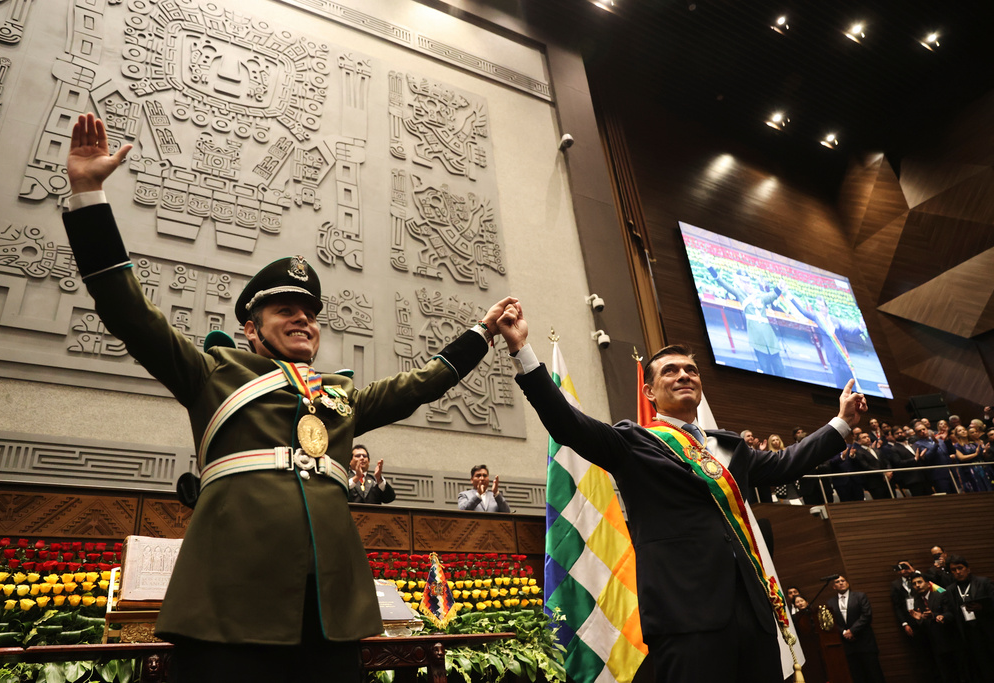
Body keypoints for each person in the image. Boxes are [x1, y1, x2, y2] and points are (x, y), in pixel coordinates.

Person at [62, 113, 517, 682]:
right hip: (229, 602)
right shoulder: (211, 372)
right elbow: (128, 309)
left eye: (311, 314)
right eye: (285, 310)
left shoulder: (340, 395)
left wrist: (480, 334)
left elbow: (418, 386)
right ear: (250, 328)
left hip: (328, 609)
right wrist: (88, 193)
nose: (303, 318)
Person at [496, 301, 863, 683]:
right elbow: (567, 423)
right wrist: (522, 351)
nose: (684, 375)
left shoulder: (729, 448)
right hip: (685, 615)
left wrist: (840, 422)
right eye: (670, 371)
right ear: (649, 391)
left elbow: (786, 463)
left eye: (691, 370)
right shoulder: (632, 443)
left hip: (754, 611)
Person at [707, 267, 786, 375]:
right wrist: (710, 267)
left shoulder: (759, 296)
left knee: (780, 369)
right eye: (744, 282)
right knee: (766, 369)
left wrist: (779, 287)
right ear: (740, 282)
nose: (747, 285)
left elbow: (772, 296)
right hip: (757, 340)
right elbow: (723, 283)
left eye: (748, 282)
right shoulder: (740, 294)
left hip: (770, 339)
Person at [825, 575, 886, 683]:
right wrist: (844, 632)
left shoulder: (860, 596)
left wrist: (852, 631)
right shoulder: (830, 602)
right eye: (837, 582)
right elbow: (831, 622)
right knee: (857, 677)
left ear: (847, 583)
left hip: (865, 643)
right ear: (834, 587)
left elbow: (866, 615)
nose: (841, 583)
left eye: (843, 580)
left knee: (874, 675)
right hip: (848, 646)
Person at [946, 556, 994, 682]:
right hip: (967, 635)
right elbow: (951, 612)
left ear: (968, 569)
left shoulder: (983, 582)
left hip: (987, 631)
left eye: (960, 568)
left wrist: (982, 607)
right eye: (953, 570)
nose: (957, 572)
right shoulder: (950, 590)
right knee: (978, 669)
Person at [908, 572, 962, 683]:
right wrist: (919, 620)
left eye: (920, 582)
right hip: (931, 645)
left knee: (956, 673)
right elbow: (921, 625)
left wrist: (937, 616)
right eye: (914, 584)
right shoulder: (916, 602)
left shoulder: (940, 595)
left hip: (948, 641)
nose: (917, 585)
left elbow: (951, 614)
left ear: (928, 584)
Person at [890, 561, 918, 637]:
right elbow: (897, 606)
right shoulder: (895, 584)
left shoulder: (919, 579)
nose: (905, 570)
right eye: (902, 567)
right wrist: (905, 623)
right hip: (909, 619)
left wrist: (913, 571)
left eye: (906, 567)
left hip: (923, 616)